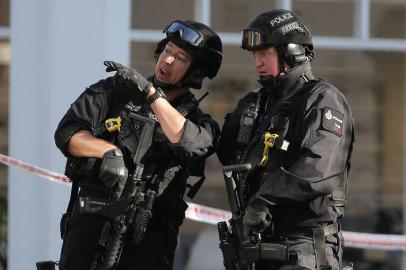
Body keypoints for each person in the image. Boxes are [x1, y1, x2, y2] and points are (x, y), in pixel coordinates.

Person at [54, 19, 222, 270]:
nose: (167, 61)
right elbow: (68, 133)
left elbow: (188, 141)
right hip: (89, 233)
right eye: (167, 51)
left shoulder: (198, 122)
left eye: (180, 58)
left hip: (147, 241)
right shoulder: (113, 91)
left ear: (196, 72)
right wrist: (108, 151)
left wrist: (152, 95)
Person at [217, 9, 354, 270]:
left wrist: (263, 199)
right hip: (258, 244)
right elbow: (228, 154)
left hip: (303, 248)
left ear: (291, 53)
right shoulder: (259, 104)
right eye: (255, 55)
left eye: (265, 54)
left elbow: (318, 167)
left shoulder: (322, 99)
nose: (257, 62)